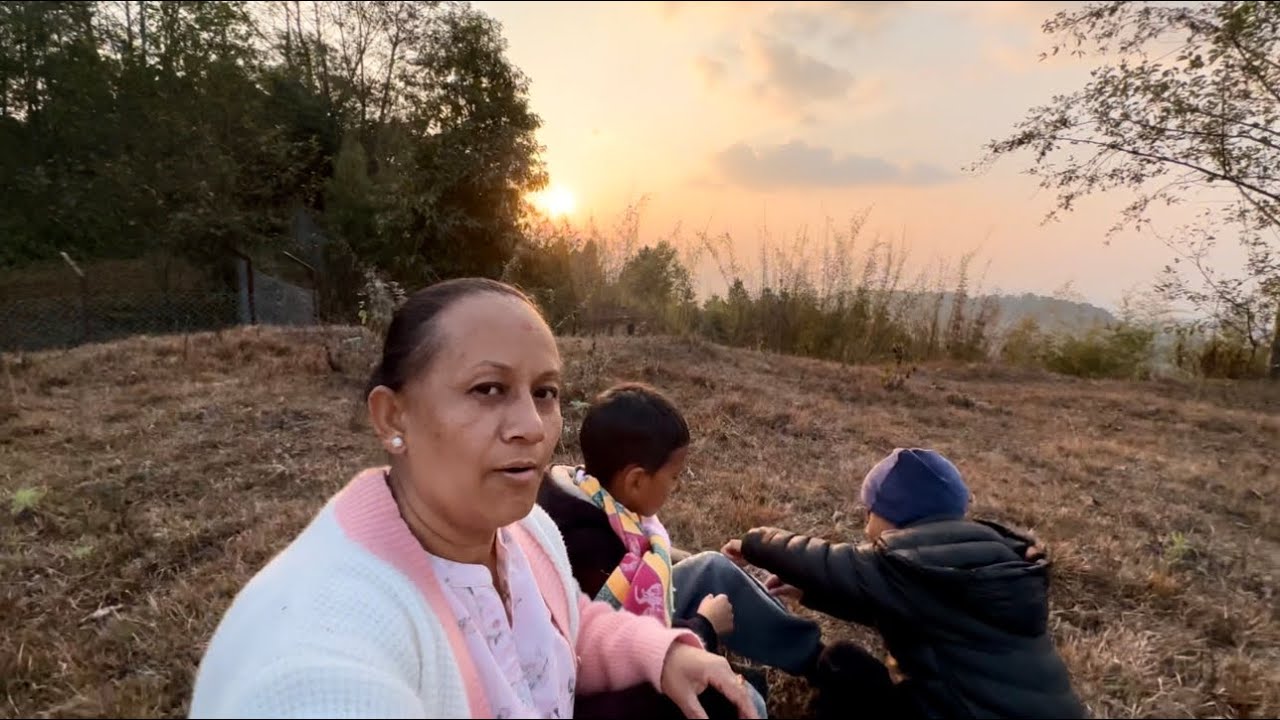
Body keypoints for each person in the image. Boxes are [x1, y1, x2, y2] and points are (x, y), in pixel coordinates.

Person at [189, 278, 759, 720]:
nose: (532, 427)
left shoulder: (526, 532)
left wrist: (662, 653)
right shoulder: (324, 650)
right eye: (488, 389)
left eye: (545, 392)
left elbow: (568, 624)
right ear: (393, 417)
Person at [722, 447, 1087, 720]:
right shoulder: (990, 559)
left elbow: (827, 562)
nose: (866, 524)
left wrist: (755, 544)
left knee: (844, 666)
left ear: (893, 514)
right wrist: (809, 592)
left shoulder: (910, 563)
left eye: (870, 511)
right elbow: (908, 608)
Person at [537, 383, 829, 716]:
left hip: (628, 632)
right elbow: (614, 643)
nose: (676, 486)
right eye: (674, 476)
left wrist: (681, 561)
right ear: (635, 481)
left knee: (711, 568)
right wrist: (704, 626)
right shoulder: (588, 554)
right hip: (610, 678)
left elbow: (644, 561)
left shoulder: (589, 493)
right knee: (749, 700)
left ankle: (819, 661)